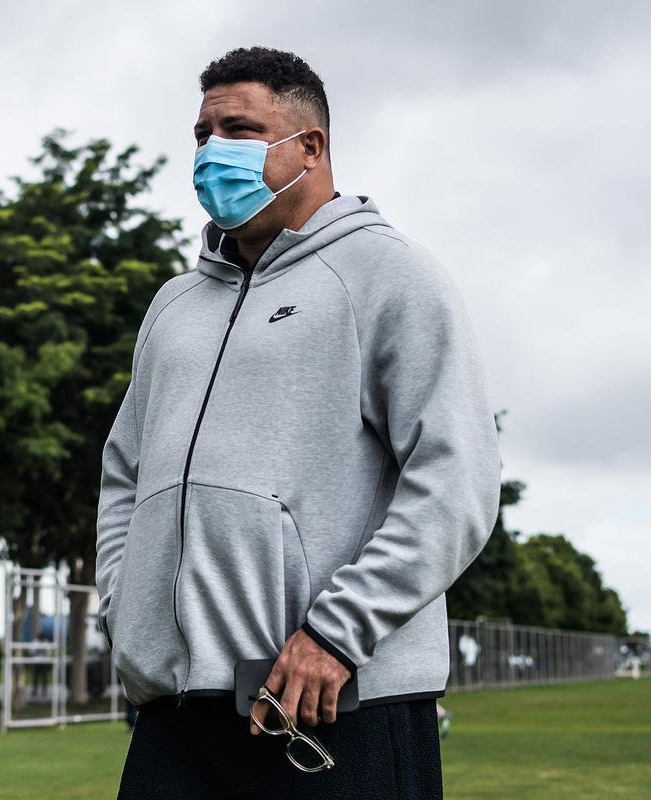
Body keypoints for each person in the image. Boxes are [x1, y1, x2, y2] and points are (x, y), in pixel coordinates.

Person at [95, 47, 500, 799]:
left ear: (309, 146)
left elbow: (458, 480)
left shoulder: (390, 275)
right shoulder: (173, 307)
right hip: (175, 719)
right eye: (203, 133)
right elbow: (124, 475)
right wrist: (128, 612)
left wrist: (336, 633)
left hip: (330, 704)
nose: (213, 151)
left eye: (239, 129)